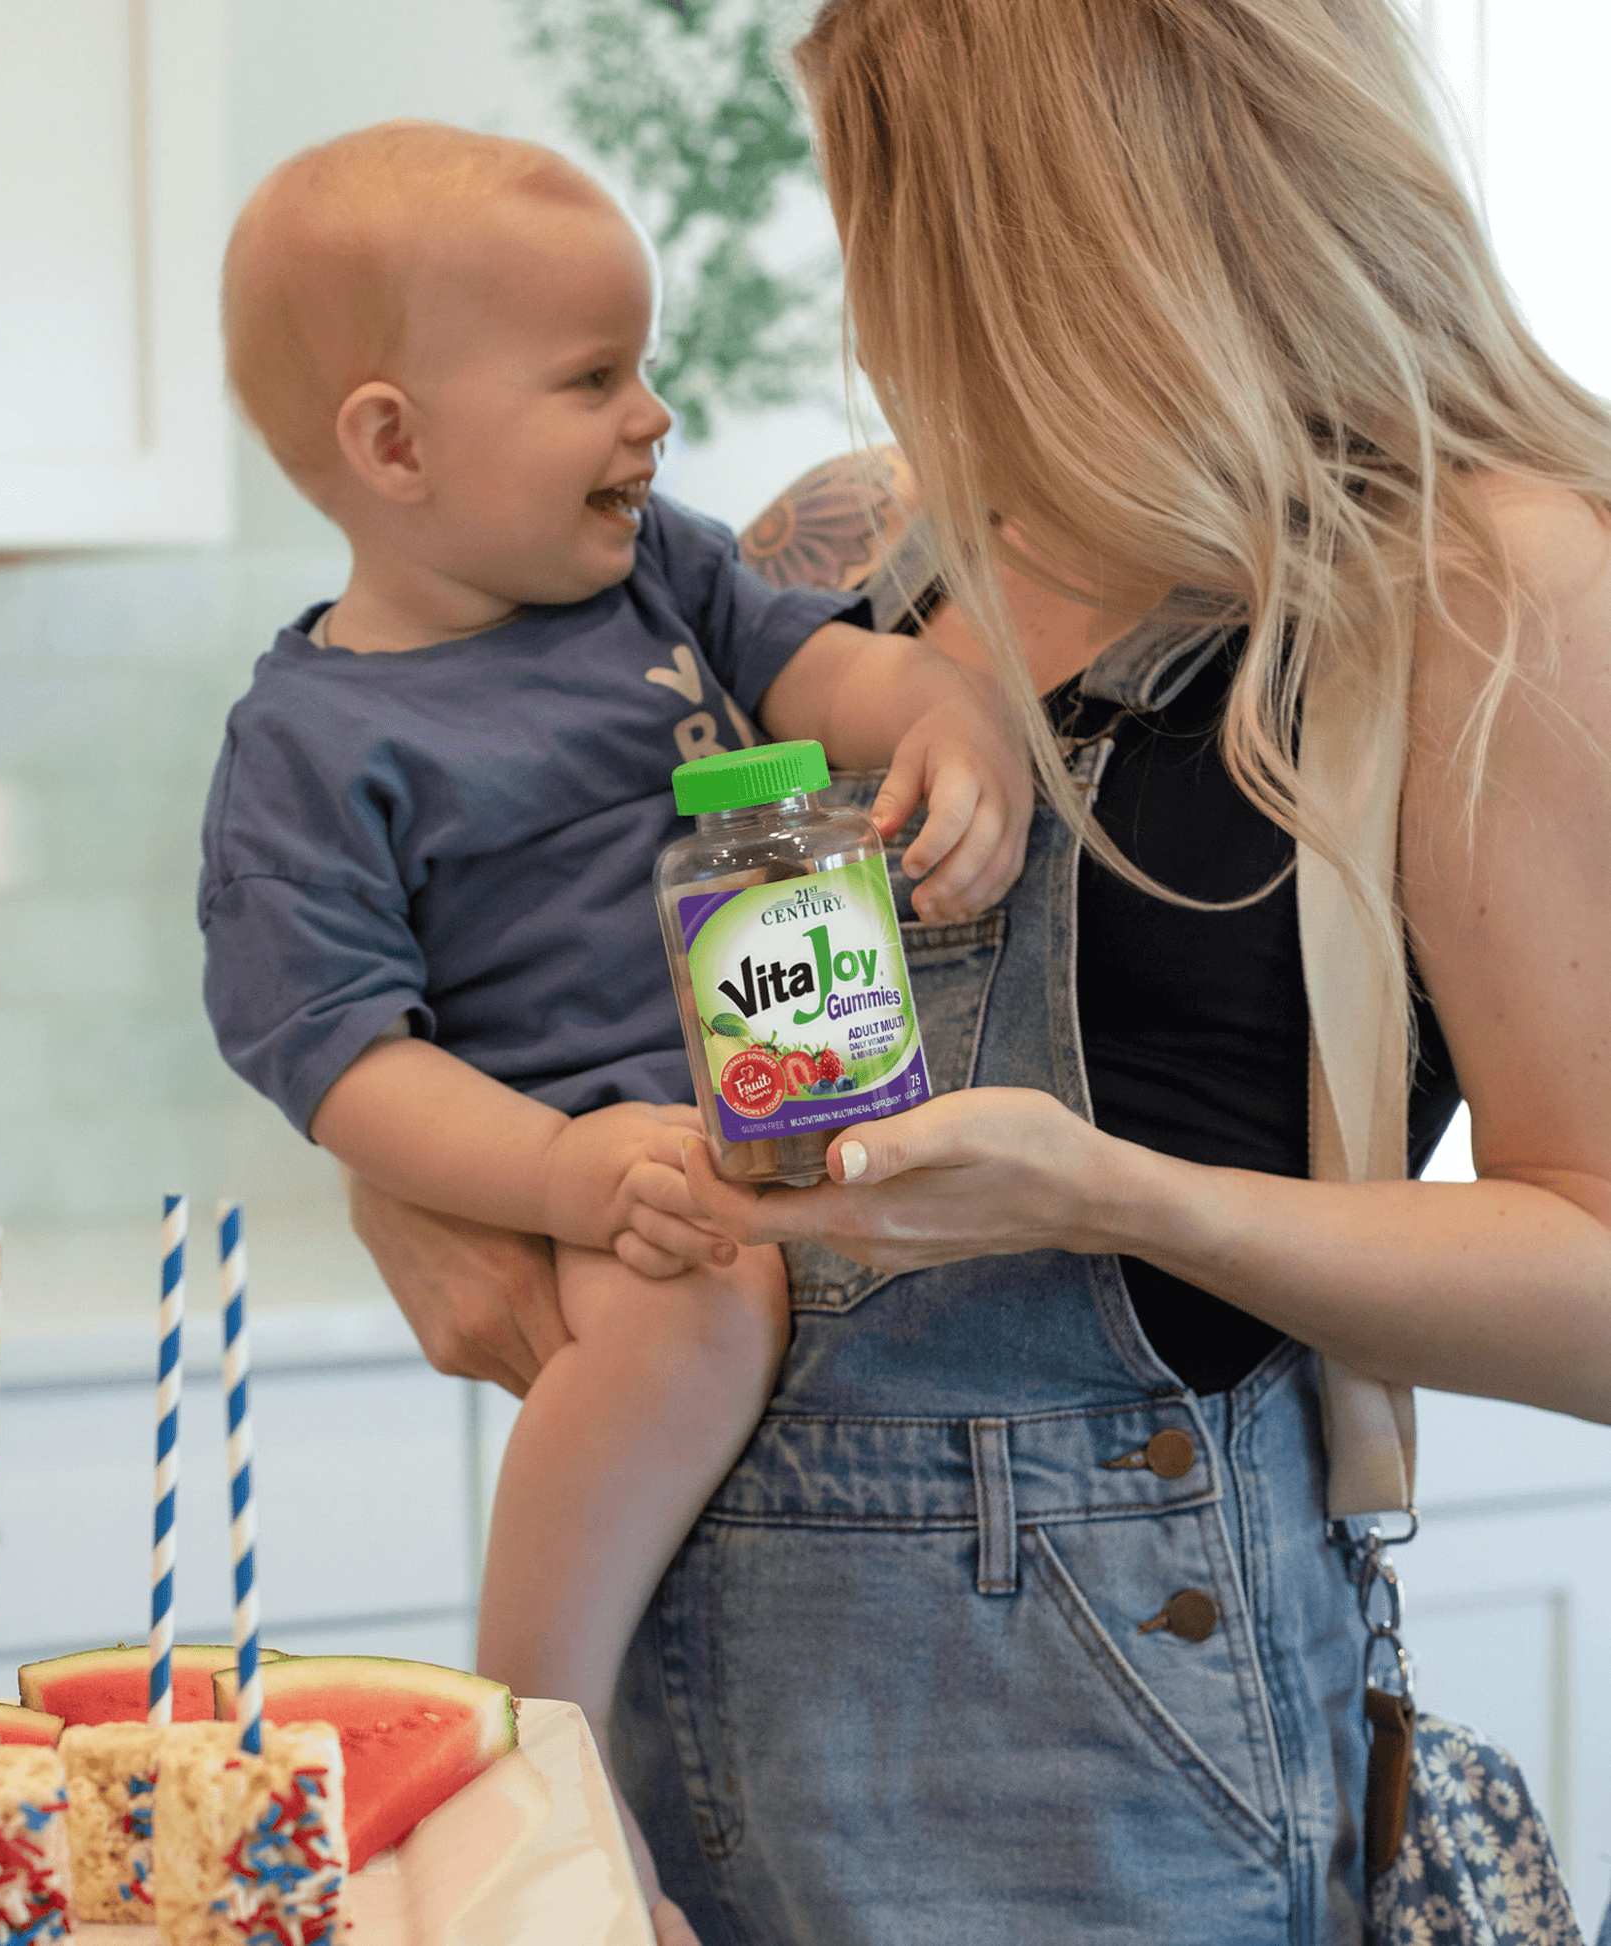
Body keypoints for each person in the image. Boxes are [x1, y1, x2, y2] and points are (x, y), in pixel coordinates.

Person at [343, 2, 1611, 1940]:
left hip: (1103, 1756)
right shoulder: (846, 543)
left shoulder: (1484, 577)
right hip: (680, 1695)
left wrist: (1109, 1195)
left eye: (886, 201)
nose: (870, 289)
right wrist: (409, 1179)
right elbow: (473, 946)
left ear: (1046, 222)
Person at [201, 121, 1032, 1943]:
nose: (652, 416)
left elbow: (838, 668)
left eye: (638, 368)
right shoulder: (310, 745)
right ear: (392, 445)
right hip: (616, 1171)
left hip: (796, 1120)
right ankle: (537, 1751)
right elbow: (335, 1058)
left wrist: (947, 714)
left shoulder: (665, 570)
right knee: (693, 1296)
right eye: (592, 379)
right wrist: (558, 1172)